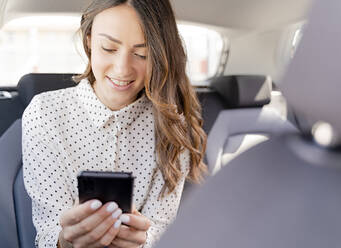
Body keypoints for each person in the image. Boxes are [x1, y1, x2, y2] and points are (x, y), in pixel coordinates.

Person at [22, 0, 207, 247]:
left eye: (142, 54)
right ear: (89, 40)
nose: (122, 70)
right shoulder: (45, 113)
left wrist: (142, 241)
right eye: (109, 48)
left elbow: (161, 229)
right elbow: (47, 230)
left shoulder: (172, 127)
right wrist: (65, 241)